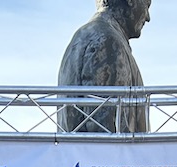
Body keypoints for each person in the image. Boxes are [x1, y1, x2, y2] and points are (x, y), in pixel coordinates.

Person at [57, 0, 151, 133]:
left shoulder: (86, 36)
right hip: (105, 153)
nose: (148, 17)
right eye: (147, 5)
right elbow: (103, 130)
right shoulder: (107, 41)